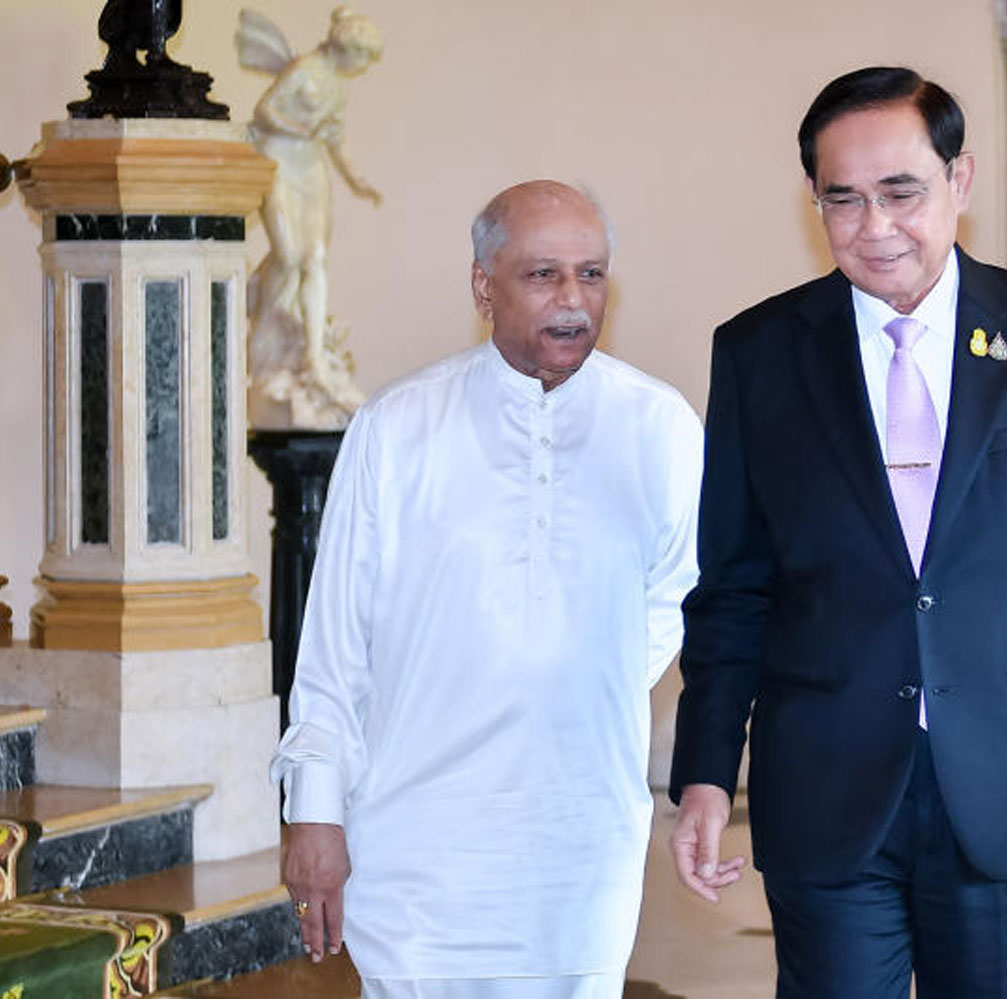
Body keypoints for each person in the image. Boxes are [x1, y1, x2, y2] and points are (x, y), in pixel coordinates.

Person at [668, 67, 1007, 998]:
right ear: (814, 202)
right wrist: (706, 772)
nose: (874, 227)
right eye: (844, 200)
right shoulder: (759, 353)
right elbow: (734, 586)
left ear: (959, 181)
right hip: (827, 784)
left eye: (901, 193)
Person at [271, 180, 703, 998]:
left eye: (592, 274)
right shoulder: (397, 427)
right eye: (544, 275)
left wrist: (571, 677)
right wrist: (314, 809)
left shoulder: (662, 429)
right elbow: (333, 646)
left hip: (579, 842)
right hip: (419, 836)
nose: (574, 300)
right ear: (482, 285)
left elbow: (675, 597)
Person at [238, 7, 385, 427]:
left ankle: (314, 353)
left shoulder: (338, 89)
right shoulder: (305, 70)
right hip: (280, 163)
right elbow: (266, 111)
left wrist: (357, 179)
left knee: (315, 259)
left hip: (311, 171)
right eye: (364, 56)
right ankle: (262, 315)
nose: (363, 66)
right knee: (286, 256)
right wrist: (301, 132)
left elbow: (336, 140)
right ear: (348, 49)